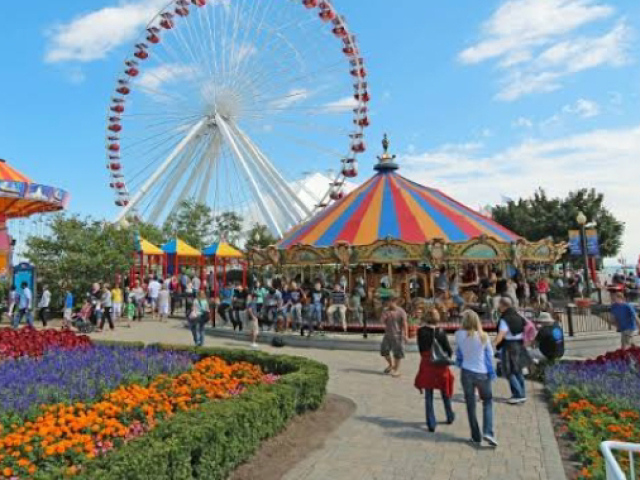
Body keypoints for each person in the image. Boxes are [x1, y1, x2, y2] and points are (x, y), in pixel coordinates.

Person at [455, 310, 498, 447]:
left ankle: (475, 435)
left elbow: (459, 352)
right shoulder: (483, 336)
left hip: (466, 371)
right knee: (487, 402)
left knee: (470, 405)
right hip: (482, 372)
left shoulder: (458, 335)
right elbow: (490, 354)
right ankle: (488, 432)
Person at [414, 308, 455, 432]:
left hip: (427, 363)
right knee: (445, 391)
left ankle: (431, 423)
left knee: (429, 395)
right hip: (440, 365)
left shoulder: (420, 331)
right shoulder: (441, 332)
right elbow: (449, 350)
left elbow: (421, 349)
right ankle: (449, 415)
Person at [495, 297, 531, 404]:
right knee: (518, 370)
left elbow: (501, 334)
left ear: (503, 305)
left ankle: (518, 394)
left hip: (509, 346)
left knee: (508, 371)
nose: (498, 307)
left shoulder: (505, 318)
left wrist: (493, 344)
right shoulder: (518, 315)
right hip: (519, 345)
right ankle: (522, 394)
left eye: (499, 305)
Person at [380, 291, 408, 377]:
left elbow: (404, 323)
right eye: (386, 301)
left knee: (398, 354)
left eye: (388, 301)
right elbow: (382, 322)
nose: (386, 303)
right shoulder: (385, 311)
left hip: (398, 335)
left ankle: (396, 370)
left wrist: (406, 335)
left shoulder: (401, 311)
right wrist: (384, 316)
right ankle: (391, 365)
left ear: (393, 301)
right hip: (388, 335)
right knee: (384, 351)